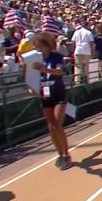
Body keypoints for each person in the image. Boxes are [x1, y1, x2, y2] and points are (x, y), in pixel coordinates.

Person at [30, 32, 72, 170]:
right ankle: (60, 154)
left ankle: (66, 154)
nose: (39, 49)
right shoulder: (35, 59)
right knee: (51, 127)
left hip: (58, 92)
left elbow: (60, 72)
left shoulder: (57, 56)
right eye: (37, 46)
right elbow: (33, 76)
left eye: (41, 46)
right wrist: (32, 87)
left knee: (57, 123)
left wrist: (45, 69)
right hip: (44, 93)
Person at [71, 19, 95, 84]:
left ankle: (77, 82)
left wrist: (73, 51)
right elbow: (91, 43)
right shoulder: (88, 32)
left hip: (78, 50)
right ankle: (89, 81)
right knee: (88, 67)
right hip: (86, 50)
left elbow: (73, 42)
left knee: (78, 67)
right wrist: (93, 51)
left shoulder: (76, 32)